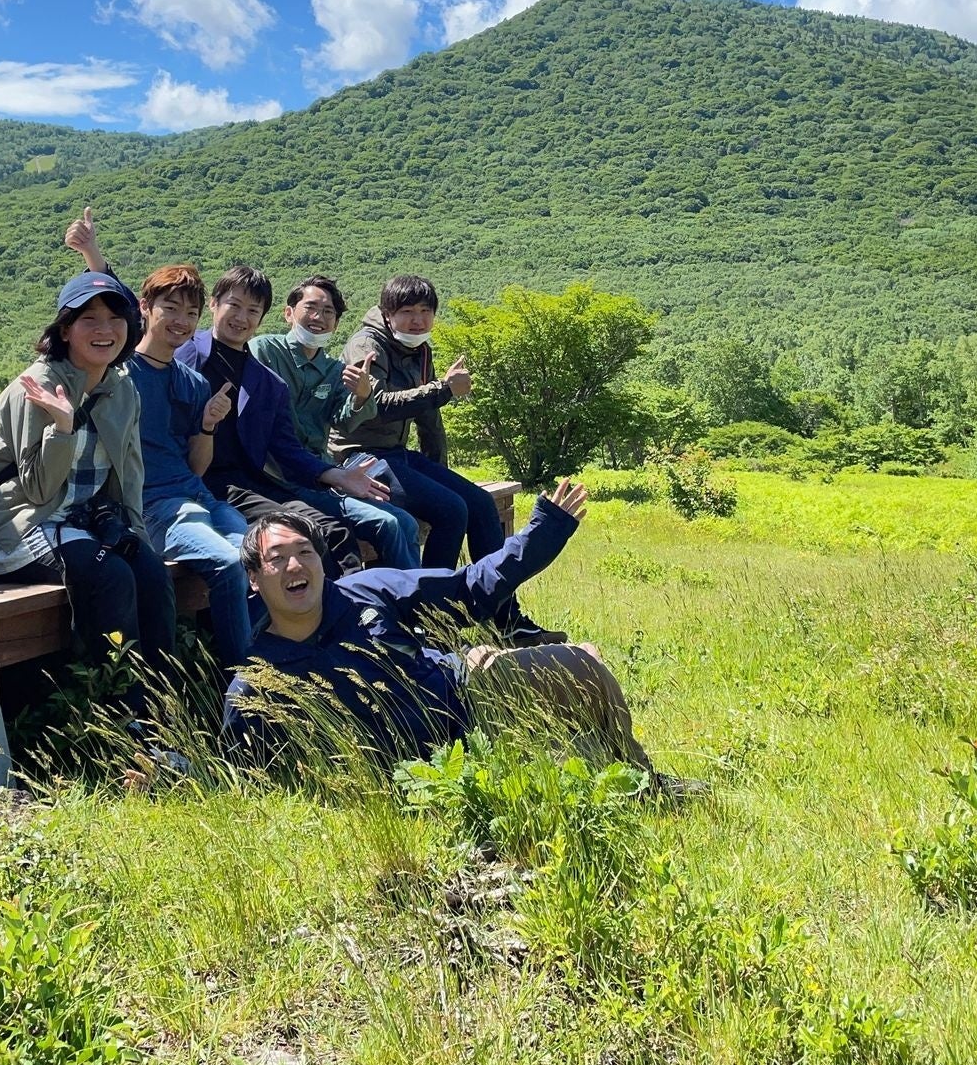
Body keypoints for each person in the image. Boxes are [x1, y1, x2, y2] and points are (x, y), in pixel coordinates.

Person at [222, 481, 694, 794]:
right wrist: (167, 771)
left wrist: (544, 532)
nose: (295, 565)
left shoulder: (363, 591)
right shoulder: (261, 681)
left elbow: (468, 588)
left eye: (305, 551)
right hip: (422, 768)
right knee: (565, 761)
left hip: (467, 690)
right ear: (254, 580)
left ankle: (645, 781)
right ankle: (603, 773)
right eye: (277, 558)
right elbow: (234, 769)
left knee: (579, 665)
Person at [0, 270, 176, 714]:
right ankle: (123, 714)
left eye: (115, 319)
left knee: (152, 573)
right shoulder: (35, 387)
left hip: (81, 517)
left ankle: (163, 708)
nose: (104, 330)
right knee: (110, 576)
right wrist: (62, 426)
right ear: (64, 330)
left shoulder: (122, 387)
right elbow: (37, 490)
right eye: (88, 319)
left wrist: (135, 534)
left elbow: (129, 474)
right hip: (22, 521)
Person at [178, 266, 408, 573]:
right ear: (213, 304)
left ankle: (359, 614)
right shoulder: (186, 356)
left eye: (252, 310)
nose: (241, 318)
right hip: (198, 485)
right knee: (302, 537)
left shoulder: (268, 382)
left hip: (249, 484)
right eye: (234, 305)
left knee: (334, 535)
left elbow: (287, 449)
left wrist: (335, 475)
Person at [120, 262, 256, 667]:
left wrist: (208, 425)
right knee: (231, 564)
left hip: (196, 496)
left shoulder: (194, 382)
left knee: (259, 560)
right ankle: (243, 686)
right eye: (171, 308)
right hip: (151, 507)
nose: (181, 321)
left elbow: (198, 467)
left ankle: (270, 666)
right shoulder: (120, 374)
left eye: (191, 313)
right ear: (145, 307)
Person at [331, 274, 506, 572]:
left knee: (480, 504)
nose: (418, 320)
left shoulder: (420, 350)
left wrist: (440, 474)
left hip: (396, 455)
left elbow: (429, 419)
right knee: (451, 511)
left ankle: (500, 608)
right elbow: (378, 406)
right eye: (408, 312)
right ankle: (435, 609)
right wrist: (444, 388)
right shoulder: (366, 345)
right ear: (388, 314)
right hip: (358, 458)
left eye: (426, 311)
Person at [249, 275, 422, 571]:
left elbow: (344, 420)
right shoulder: (266, 351)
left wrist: (362, 395)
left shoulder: (334, 370)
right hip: (277, 479)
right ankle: (399, 606)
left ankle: (413, 606)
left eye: (329, 312)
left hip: (322, 477)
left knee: (404, 522)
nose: (319, 318)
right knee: (387, 524)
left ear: (337, 323)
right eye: (311, 308)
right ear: (289, 313)